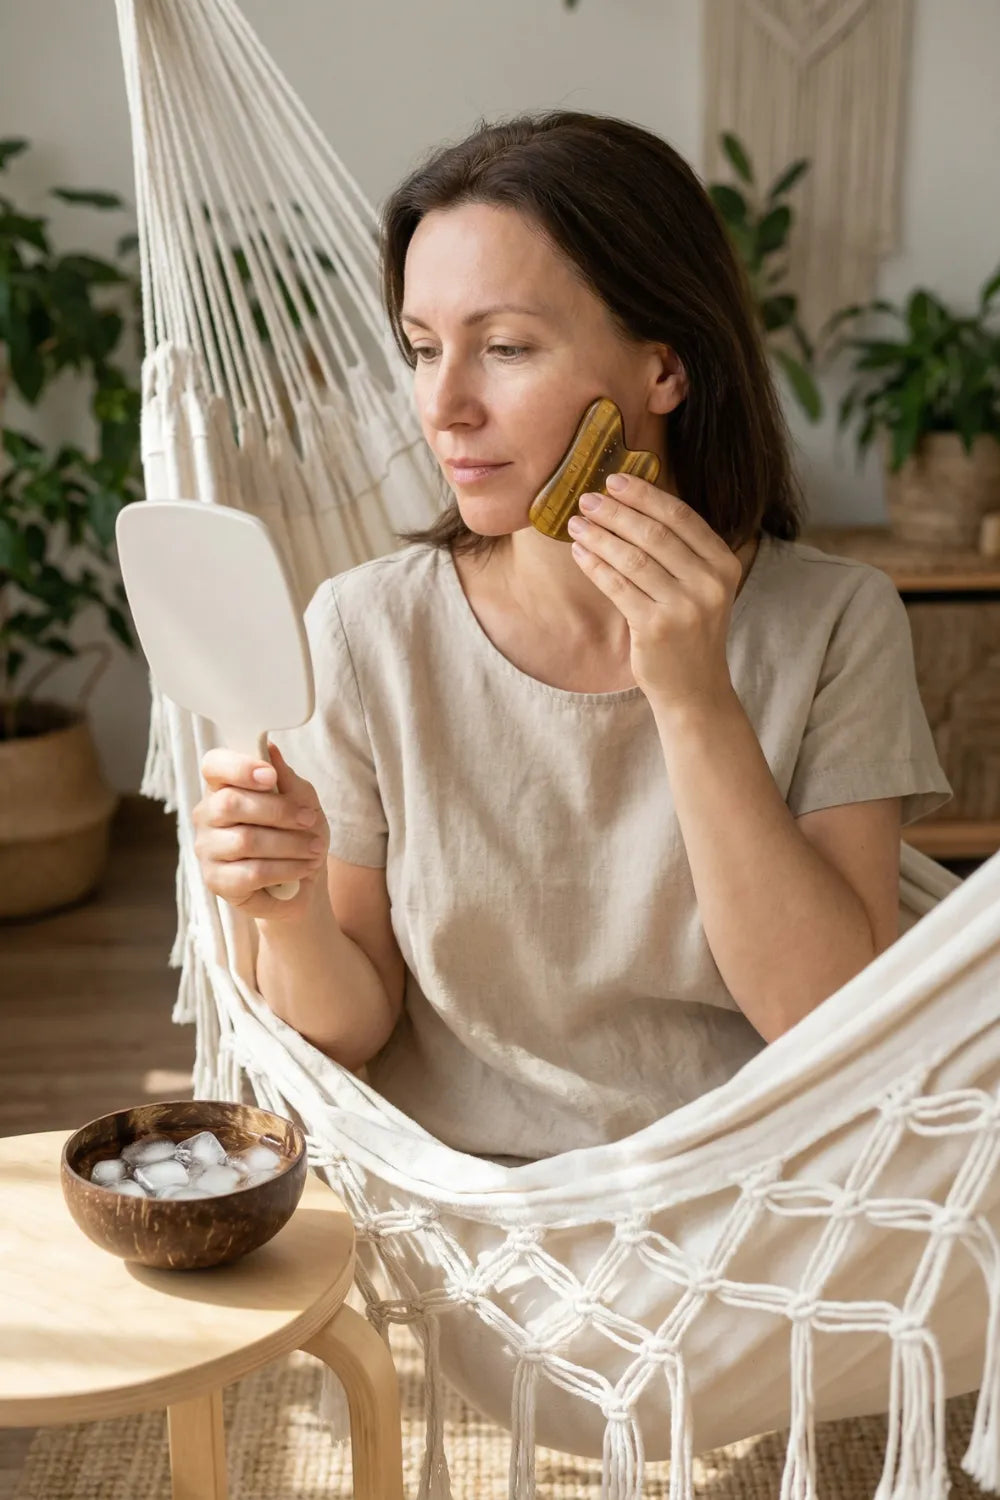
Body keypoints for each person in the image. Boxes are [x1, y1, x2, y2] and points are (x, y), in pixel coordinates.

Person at [192, 110, 952, 1163]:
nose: (444, 405)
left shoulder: (832, 621)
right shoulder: (370, 631)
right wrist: (284, 909)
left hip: (763, 1201)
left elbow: (829, 1020)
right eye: (421, 350)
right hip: (475, 1217)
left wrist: (692, 697)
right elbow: (344, 1032)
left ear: (664, 370)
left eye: (504, 348)